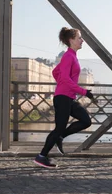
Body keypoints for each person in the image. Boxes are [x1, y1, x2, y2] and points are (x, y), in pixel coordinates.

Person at [34, 27, 94, 168]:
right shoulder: (68, 57)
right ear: (71, 40)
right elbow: (66, 79)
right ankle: (41, 156)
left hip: (68, 97)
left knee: (86, 121)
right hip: (63, 98)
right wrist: (84, 92)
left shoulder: (71, 56)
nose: (82, 40)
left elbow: (56, 72)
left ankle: (60, 137)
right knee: (58, 128)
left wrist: (62, 82)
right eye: (79, 38)